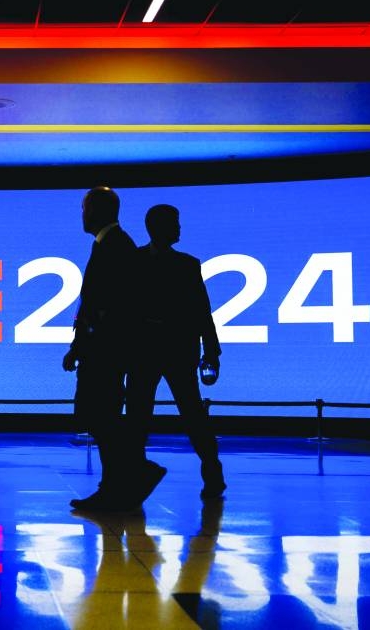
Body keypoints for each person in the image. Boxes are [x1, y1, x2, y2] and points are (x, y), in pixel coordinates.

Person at [63, 186, 165, 511]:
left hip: (106, 351)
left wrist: (85, 344)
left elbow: (109, 306)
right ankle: (117, 484)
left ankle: (131, 474)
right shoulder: (111, 244)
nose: (82, 215)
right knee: (100, 415)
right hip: (103, 349)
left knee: (99, 415)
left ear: (97, 210)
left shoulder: (115, 246)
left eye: (85, 208)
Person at [128, 203, 227, 500]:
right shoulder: (182, 265)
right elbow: (202, 313)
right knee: (147, 414)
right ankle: (210, 472)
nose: (179, 228)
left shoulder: (146, 262)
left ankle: (210, 470)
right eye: (175, 223)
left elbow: (202, 311)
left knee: (183, 412)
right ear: (159, 227)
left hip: (159, 351)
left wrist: (211, 350)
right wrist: (211, 351)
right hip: (164, 350)